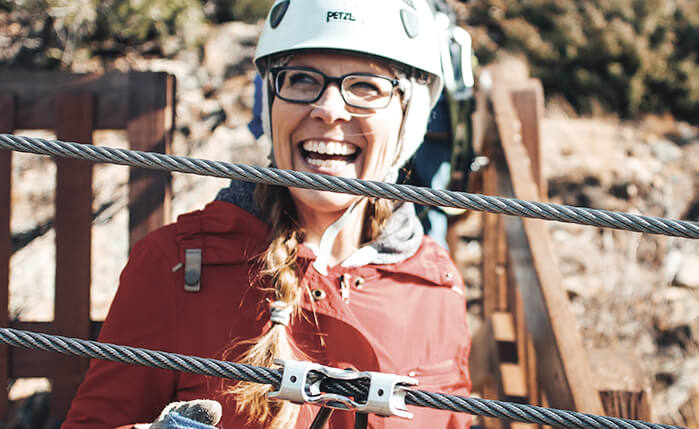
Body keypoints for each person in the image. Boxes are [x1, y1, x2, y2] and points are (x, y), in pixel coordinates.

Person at [62, 0, 472, 428]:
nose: (329, 109)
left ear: (409, 119)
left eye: (367, 86)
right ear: (269, 103)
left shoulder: (437, 285)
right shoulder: (173, 264)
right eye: (300, 79)